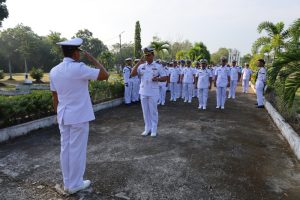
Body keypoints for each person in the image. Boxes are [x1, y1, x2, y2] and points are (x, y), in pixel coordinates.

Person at [50, 38, 109, 194]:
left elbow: (54, 96)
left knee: (66, 150)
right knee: (77, 150)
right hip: (79, 116)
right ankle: (75, 184)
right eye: (79, 51)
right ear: (76, 52)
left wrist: (57, 114)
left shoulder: (54, 70)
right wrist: (93, 59)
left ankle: (68, 183)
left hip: (63, 115)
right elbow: (105, 75)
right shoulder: (79, 68)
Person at [131, 47, 168, 137]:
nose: (147, 57)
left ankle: (154, 129)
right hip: (143, 91)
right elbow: (132, 73)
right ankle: (147, 128)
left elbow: (165, 77)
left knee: (153, 111)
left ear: (153, 55)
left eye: (148, 55)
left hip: (153, 92)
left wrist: (158, 78)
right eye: (145, 55)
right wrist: (139, 62)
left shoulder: (158, 66)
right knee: (145, 111)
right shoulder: (141, 66)